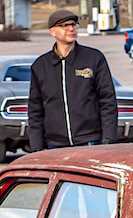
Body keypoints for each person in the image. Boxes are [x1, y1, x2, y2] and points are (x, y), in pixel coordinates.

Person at [28, 8, 118, 151]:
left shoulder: (94, 58)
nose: (71, 29)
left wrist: (108, 140)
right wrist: (36, 149)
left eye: (74, 25)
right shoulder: (40, 66)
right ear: (52, 31)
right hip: (55, 147)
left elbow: (108, 101)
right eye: (65, 25)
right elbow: (35, 111)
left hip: (91, 143)